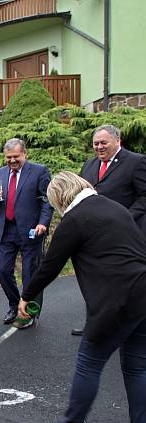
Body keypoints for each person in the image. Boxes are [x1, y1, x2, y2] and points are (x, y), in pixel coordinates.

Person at [22, 172, 146, 423]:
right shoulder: (115, 208)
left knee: (89, 362)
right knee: (138, 367)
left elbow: (49, 266)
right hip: (143, 294)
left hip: (116, 302)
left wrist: (26, 297)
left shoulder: (74, 220)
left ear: (60, 198)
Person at [71, 124, 146, 336]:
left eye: (104, 143)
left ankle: (127, 326)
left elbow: (144, 196)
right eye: (96, 143)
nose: (99, 147)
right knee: (93, 280)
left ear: (117, 141)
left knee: (122, 282)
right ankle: (94, 324)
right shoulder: (89, 165)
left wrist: (125, 218)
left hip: (125, 236)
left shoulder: (136, 162)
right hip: (94, 235)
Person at [0, 138, 53, 329]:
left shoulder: (40, 171)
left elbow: (46, 200)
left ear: (25, 154)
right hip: (6, 230)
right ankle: (14, 305)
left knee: (30, 275)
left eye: (16, 156)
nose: (12, 161)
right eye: (9, 157)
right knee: (3, 271)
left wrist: (43, 223)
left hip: (31, 230)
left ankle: (30, 311)